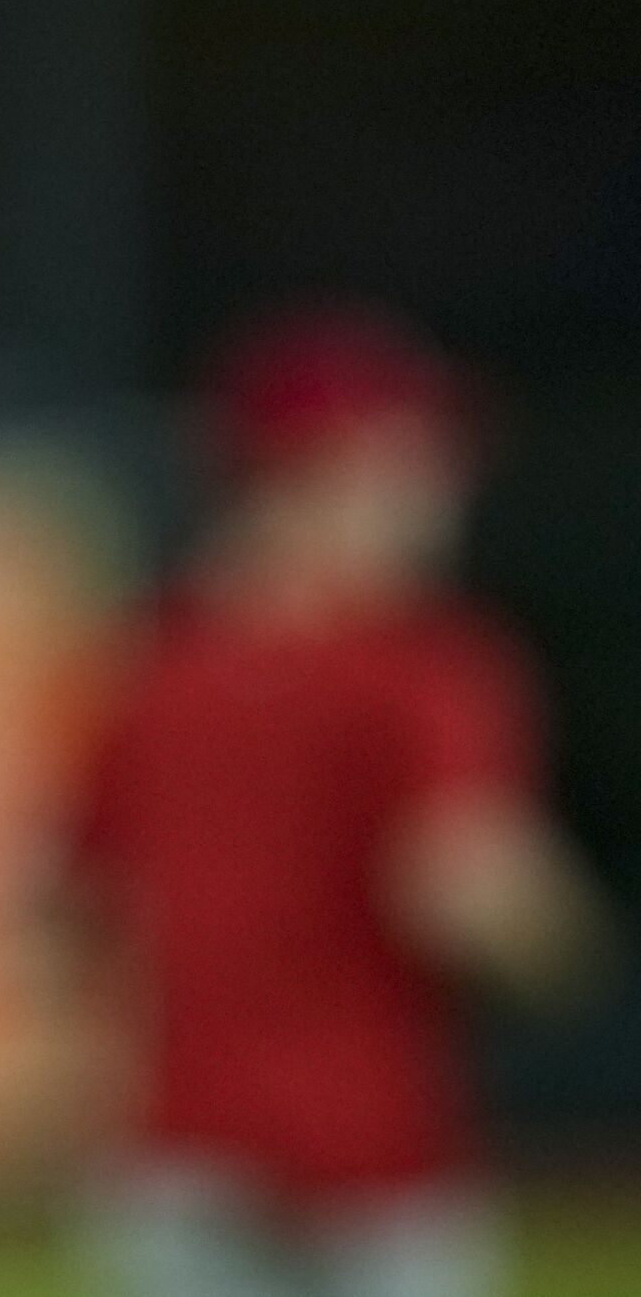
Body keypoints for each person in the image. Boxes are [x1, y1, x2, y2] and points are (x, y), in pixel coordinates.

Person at [67, 305, 599, 1297]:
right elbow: (461, 886)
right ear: (315, 472)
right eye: (410, 460)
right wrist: (567, 951)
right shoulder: (421, 666)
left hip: (180, 1144)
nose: (439, 490)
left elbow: (67, 906)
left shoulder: (144, 669)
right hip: (373, 1152)